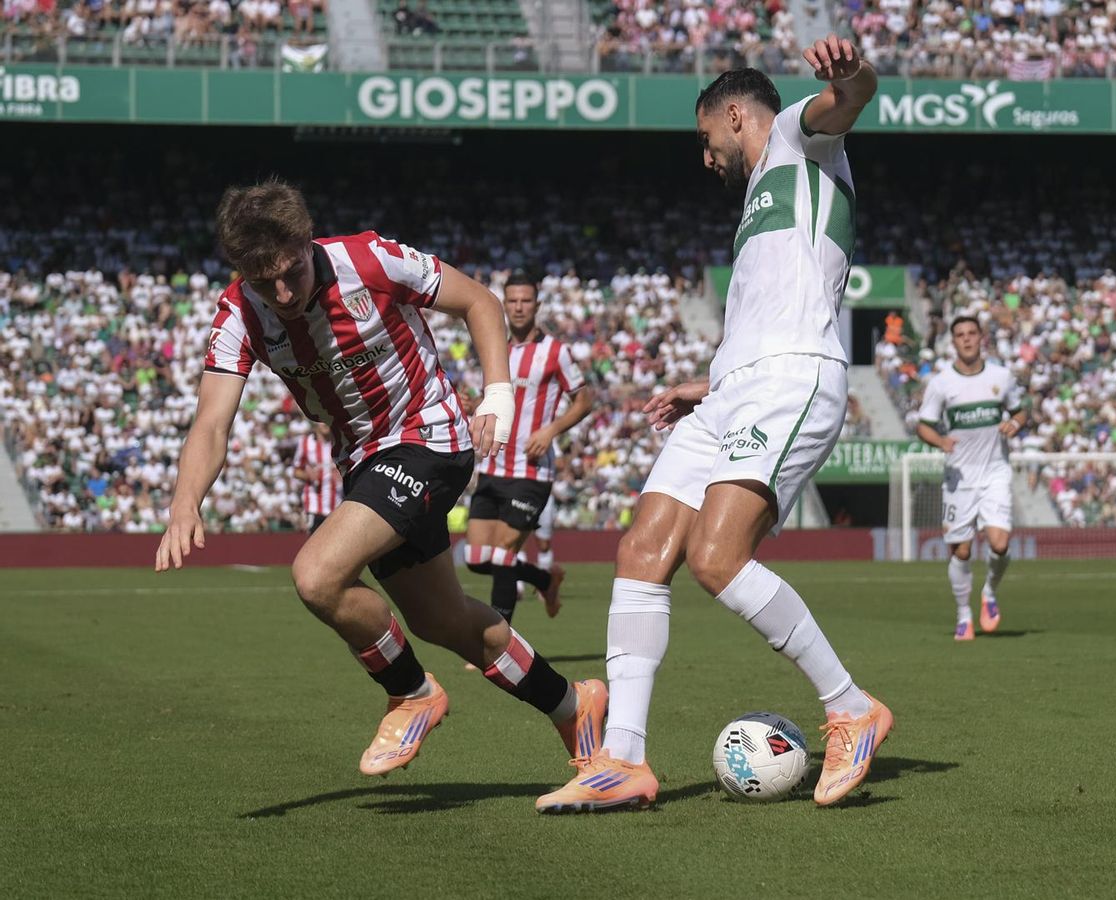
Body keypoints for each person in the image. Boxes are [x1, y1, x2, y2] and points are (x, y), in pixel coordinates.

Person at [536, 37, 892, 813]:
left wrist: (852, 74)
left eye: (706, 140)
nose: (705, 158)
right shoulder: (760, 202)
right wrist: (710, 380)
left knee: (717, 557)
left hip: (793, 378)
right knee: (640, 549)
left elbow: (853, 97)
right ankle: (623, 759)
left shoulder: (799, 141)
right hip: (735, 389)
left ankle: (851, 707)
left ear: (736, 116)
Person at [154, 179, 605, 779]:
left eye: (291, 272)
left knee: (317, 575)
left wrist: (497, 396)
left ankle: (412, 693)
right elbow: (212, 420)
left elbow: (481, 302)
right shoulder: (238, 312)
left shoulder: (369, 259)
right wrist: (186, 502)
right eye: (265, 282)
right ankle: (577, 708)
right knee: (443, 621)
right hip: (364, 462)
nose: (283, 293)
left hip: (431, 439)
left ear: (307, 242)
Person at [462, 272, 593, 623]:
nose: (519, 307)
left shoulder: (555, 351)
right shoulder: (496, 348)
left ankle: (498, 645)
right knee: (475, 558)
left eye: (526, 301)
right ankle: (545, 578)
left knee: (504, 554)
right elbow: (494, 397)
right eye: (513, 300)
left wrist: (551, 430)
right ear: (504, 304)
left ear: (537, 305)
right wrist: (471, 403)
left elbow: (584, 400)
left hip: (531, 470)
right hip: (492, 466)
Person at [915, 315, 1026, 641]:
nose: (966, 339)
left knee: (999, 542)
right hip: (959, 478)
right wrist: (940, 441)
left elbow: (1020, 410)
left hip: (994, 471)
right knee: (961, 551)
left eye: (971, 334)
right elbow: (923, 425)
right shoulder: (941, 383)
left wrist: (1015, 423)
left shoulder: (1001, 376)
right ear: (954, 342)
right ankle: (964, 614)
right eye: (960, 335)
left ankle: (989, 592)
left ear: (982, 338)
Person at [293, 421, 340, 533]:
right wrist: (308, 476)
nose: (324, 423)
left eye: (326, 420)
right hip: (314, 504)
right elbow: (296, 471)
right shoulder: (306, 443)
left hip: (337, 504)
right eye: (320, 421)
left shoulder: (338, 444)